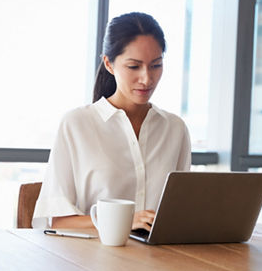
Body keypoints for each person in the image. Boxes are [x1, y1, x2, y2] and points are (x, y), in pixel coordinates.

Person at [33, 12, 191, 231]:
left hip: (161, 260)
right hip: (94, 261)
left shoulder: (175, 128)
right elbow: (59, 222)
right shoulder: (77, 124)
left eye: (156, 65)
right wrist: (126, 221)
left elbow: (182, 213)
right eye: (134, 67)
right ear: (109, 63)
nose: (147, 78)